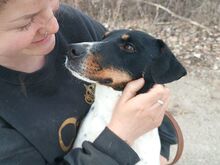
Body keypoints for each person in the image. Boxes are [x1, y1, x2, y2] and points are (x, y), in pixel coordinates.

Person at [0, 0, 177, 164]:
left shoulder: (73, 23)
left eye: (53, 8)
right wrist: (118, 138)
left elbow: (148, 77)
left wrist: (161, 150)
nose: (55, 26)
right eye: (26, 23)